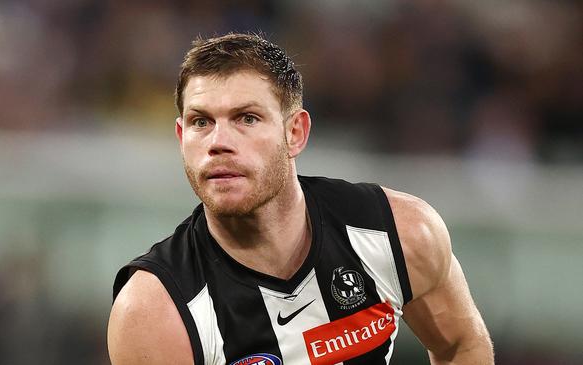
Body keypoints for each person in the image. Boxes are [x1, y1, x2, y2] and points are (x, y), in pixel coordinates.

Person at [107, 33, 494, 365]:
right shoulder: (153, 310)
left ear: (295, 133)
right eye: (201, 122)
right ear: (180, 138)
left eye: (246, 118)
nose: (218, 143)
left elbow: (461, 345)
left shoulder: (401, 233)